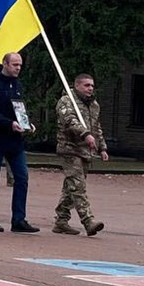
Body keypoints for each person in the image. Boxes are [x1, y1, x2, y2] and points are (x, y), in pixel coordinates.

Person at [0, 52, 38, 233]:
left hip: (15, 141)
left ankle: (18, 219)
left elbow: (19, 108)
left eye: (20, 65)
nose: (18, 68)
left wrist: (27, 124)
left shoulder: (18, 84)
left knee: (22, 178)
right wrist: (8, 123)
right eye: (15, 65)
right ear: (5, 64)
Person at [53, 73, 108, 237]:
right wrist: (85, 134)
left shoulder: (94, 105)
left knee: (71, 187)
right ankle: (88, 220)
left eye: (92, 85)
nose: (90, 88)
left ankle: (61, 220)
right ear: (77, 86)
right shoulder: (66, 101)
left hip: (86, 151)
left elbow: (96, 128)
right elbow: (69, 121)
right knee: (78, 186)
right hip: (69, 149)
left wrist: (102, 148)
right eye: (86, 85)